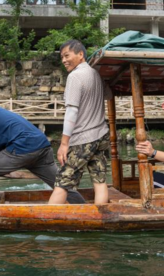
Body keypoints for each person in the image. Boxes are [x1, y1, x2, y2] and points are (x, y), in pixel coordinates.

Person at [48, 40, 111, 205]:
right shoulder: (97, 74)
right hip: (101, 135)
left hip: (83, 138)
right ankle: (101, 219)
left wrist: (64, 143)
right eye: (62, 57)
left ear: (80, 54)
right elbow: (109, 95)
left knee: (63, 181)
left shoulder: (75, 76)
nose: (64, 60)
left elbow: (72, 111)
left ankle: (49, 222)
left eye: (67, 55)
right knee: (99, 179)